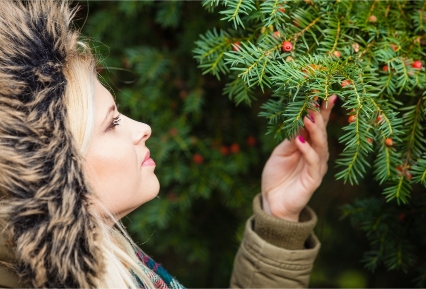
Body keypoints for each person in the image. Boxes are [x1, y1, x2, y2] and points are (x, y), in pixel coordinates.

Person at [0, 1, 336, 288]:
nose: (143, 129)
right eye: (111, 123)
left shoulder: (123, 269)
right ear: (50, 174)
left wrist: (278, 219)